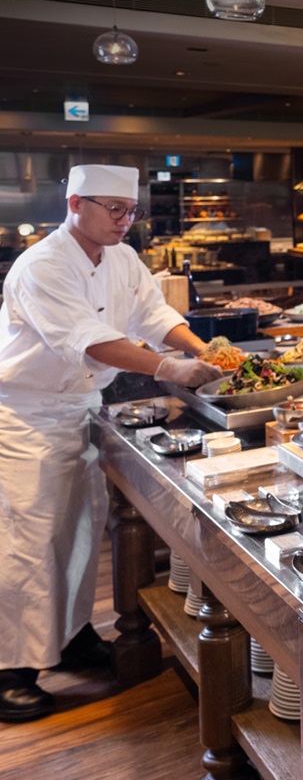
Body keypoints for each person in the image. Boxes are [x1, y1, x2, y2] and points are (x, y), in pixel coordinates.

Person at [0, 165, 222, 722]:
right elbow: (88, 340)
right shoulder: (42, 265)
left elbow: (153, 314)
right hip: (25, 416)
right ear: (76, 203)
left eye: (132, 211)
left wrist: (206, 353)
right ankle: (12, 669)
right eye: (114, 209)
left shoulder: (121, 257)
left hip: (82, 408)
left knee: (80, 530)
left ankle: (71, 637)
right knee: (29, 540)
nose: (125, 221)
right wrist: (169, 367)